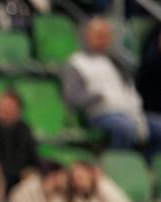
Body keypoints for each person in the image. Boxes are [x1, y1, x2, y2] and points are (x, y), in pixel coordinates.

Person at [63, 17, 161, 157]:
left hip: (132, 114)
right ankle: (118, 165)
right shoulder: (75, 63)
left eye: (105, 35)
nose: (102, 38)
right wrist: (99, 97)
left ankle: (147, 167)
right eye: (98, 34)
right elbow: (71, 97)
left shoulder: (116, 62)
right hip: (101, 114)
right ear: (86, 36)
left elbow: (130, 89)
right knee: (124, 128)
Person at [0, 89, 41, 191]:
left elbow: (33, 160)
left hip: (19, 184)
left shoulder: (24, 131)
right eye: (3, 106)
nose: (6, 110)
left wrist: (30, 170)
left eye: (10, 107)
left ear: (18, 110)